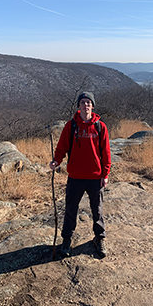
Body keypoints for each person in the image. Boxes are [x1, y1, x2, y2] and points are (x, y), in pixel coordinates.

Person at [49, 92, 111, 258]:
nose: (86, 105)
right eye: (83, 102)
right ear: (79, 106)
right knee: (70, 209)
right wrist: (56, 161)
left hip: (95, 176)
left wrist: (105, 174)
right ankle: (67, 239)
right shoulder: (71, 126)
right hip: (75, 176)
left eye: (88, 103)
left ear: (92, 106)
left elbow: (106, 153)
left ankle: (99, 238)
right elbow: (62, 147)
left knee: (97, 210)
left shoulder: (100, 126)